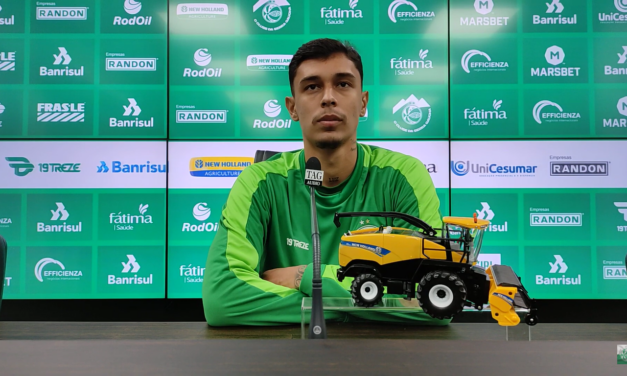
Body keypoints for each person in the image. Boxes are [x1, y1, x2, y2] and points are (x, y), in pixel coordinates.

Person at [202, 38, 448, 326]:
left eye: (343, 84)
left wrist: (304, 276)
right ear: (292, 108)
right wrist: (360, 304)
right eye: (312, 86)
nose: (328, 97)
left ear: (363, 102)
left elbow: (432, 301)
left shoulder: (404, 176)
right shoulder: (259, 182)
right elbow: (223, 299)